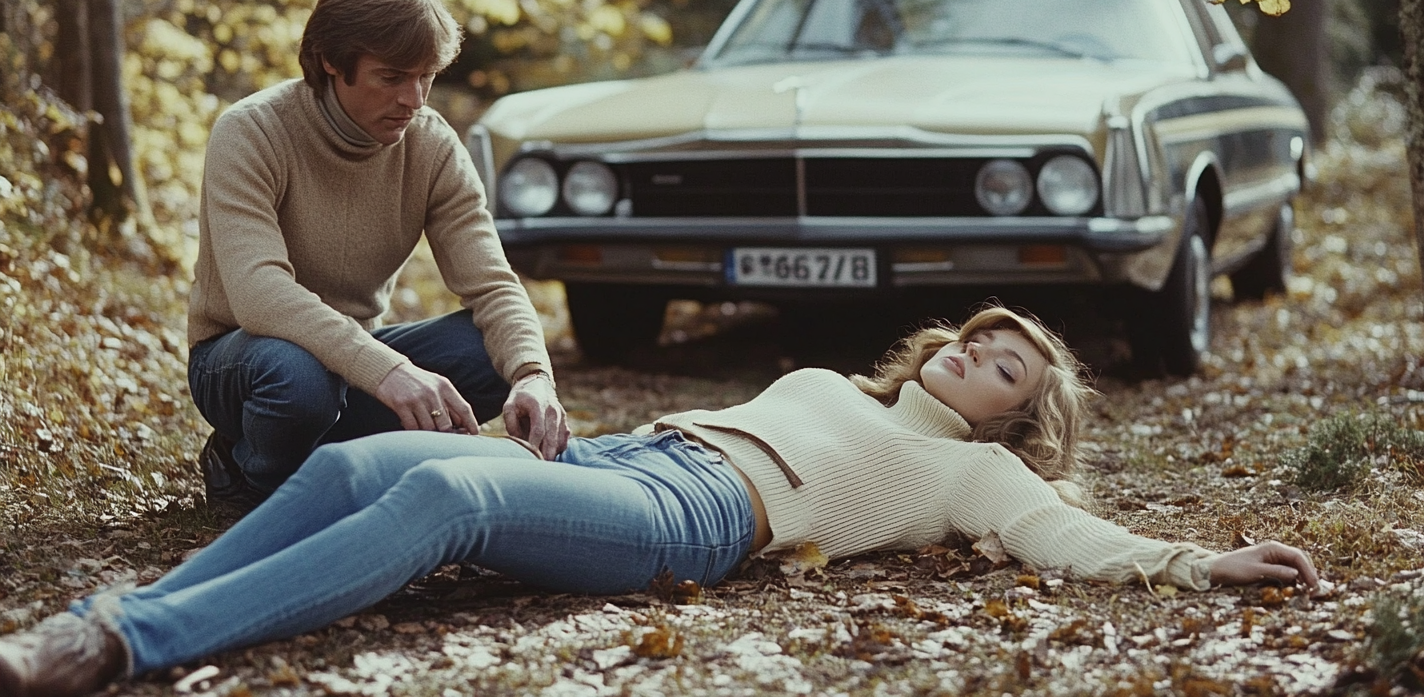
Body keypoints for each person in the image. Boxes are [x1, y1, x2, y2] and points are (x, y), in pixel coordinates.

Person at [0, 306, 1319, 696]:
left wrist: (1203, 566)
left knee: (438, 507)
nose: (976, 355)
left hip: (695, 522)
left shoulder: (976, 474)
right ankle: (117, 610)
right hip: (626, 456)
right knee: (347, 465)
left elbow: (1072, 536)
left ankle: (120, 647)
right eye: (978, 340)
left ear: (1016, 418)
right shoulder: (821, 374)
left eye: (1008, 370)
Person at [185, 0, 568, 514]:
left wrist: (534, 377)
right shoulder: (252, 131)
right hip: (243, 360)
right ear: (330, 63)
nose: (414, 100)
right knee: (299, 379)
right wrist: (387, 371)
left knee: (493, 354)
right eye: (392, 77)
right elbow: (258, 294)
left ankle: (325, 454)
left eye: (426, 77)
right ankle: (246, 467)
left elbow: (493, 286)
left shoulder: (432, 146)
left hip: (354, 361)